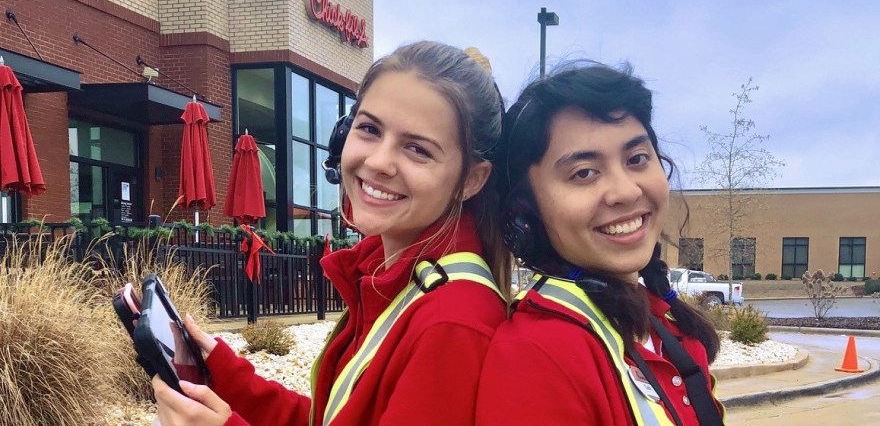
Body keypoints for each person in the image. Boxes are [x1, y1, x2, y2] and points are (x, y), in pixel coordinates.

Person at [151, 41, 510, 426]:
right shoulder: (394, 283)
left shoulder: (452, 324)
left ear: (471, 180)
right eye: (370, 129)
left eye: (418, 149)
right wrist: (226, 375)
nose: (378, 162)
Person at [476, 62, 724, 426]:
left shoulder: (661, 321)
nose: (625, 191)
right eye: (584, 173)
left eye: (637, 159)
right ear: (525, 212)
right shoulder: (538, 356)